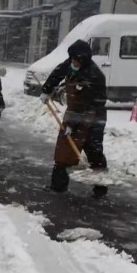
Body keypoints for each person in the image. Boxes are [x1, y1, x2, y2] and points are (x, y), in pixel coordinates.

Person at [38, 39, 108, 194]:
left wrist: (72, 124)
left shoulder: (94, 76)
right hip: (74, 112)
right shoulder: (72, 62)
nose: (72, 63)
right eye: (71, 60)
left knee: (93, 150)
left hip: (93, 116)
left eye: (76, 61)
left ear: (83, 60)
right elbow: (58, 72)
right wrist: (46, 89)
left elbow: (87, 104)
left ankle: (100, 187)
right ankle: (58, 185)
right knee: (64, 149)